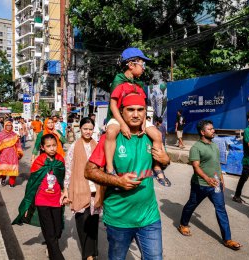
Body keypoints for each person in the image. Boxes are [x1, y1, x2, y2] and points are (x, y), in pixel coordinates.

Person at [85, 94, 170, 260]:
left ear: (146, 112)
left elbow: (159, 164)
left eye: (140, 110)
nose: (136, 114)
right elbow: (89, 171)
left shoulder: (151, 136)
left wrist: (166, 161)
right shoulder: (110, 139)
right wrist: (118, 181)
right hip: (119, 219)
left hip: (149, 217)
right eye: (130, 110)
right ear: (121, 113)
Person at [104, 47, 169, 187]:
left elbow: (143, 107)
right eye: (142, 64)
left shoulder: (137, 85)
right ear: (131, 64)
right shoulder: (118, 80)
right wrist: (122, 124)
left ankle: (156, 167)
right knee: (110, 132)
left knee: (157, 135)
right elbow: (113, 106)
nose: (144, 68)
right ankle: (110, 169)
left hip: (137, 117)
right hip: (118, 116)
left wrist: (145, 122)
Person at [178, 120, 242, 251]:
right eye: (210, 129)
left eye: (213, 129)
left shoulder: (214, 145)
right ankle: (183, 224)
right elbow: (196, 167)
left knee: (221, 209)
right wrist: (207, 179)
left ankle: (227, 239)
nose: (213, 131)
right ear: (202, 132)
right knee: (191, 204)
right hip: (200, 184)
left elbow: (217, 164)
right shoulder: (196, 147)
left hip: (215, 184)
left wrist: (221, 179)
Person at [12, 134, 66, 260]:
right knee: (50, 231)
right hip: (42, 201)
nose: (52, 148)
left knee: (58, 229)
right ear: (42, 147)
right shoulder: (39, 162)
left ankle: (50, 246)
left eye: (54, 145)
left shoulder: (60, 160)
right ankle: (56, 256)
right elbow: (32, 185)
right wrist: (27, 205)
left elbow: (63, 179)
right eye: (48, 146)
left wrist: (65, 192)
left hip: (57, 200)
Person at [63, 117, 103, 260]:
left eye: (90, 129)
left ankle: (92, 253)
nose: (88, 132)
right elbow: (68, 168)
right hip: (80, 189)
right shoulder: (74, 146)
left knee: (93, 224)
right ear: (80, 129)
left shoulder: (97, 145)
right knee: (82, 224)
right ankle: (88, 255)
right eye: (85, 129)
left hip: (95, 190)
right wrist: (66, 189)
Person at [0, 120, 23, 188]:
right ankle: (3, 179)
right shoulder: (1, 134)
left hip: (13, 154)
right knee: (4, 167)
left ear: (12, 126)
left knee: (13, 168)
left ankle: (12, 182)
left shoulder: (15, 135)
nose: (9, 127)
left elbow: (18, 145)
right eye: (7, 125)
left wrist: (19, 153)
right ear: (5, 126)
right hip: (4, 154)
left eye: (10, 125)